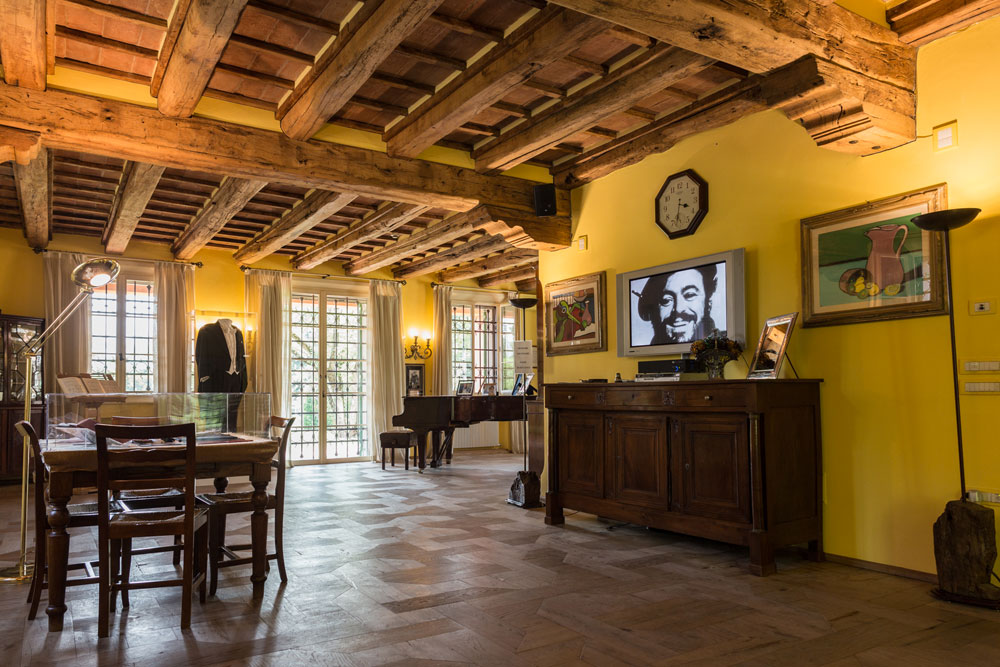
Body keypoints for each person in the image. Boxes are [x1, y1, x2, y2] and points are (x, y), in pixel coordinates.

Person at [636, 264, 718, 344]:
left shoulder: (723, 346)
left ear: (708, 301)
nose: (678, 309)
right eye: (666, 300)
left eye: (690, 295)